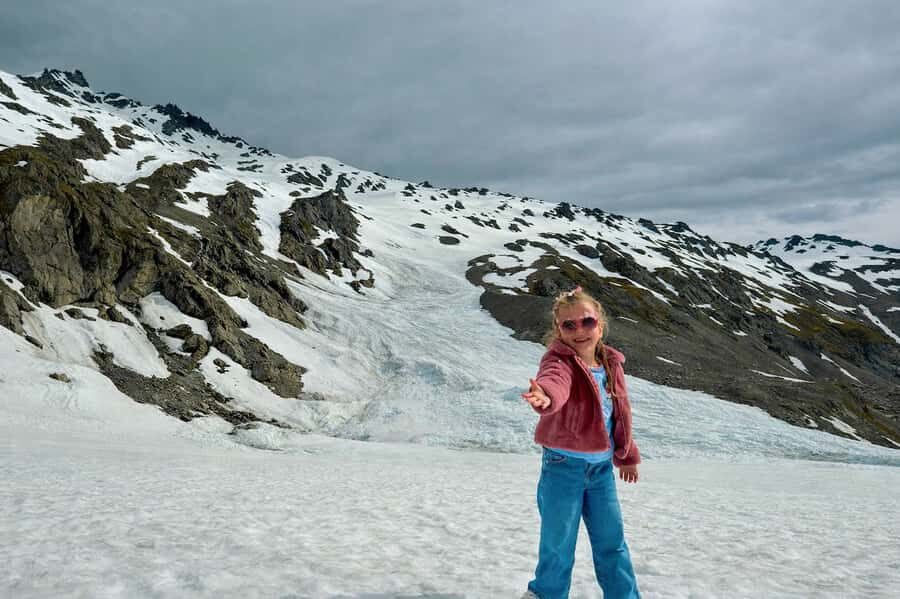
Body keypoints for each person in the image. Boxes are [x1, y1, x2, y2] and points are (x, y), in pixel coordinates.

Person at [520, 286, 641, 599]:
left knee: (612, 543)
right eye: (569, 325)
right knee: (558, 544)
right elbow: (554, 382)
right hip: (563, 468)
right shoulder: (558, 361)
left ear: (600, 324)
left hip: (601, 472)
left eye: (587, 322)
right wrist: (545, 396)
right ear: (558, 329)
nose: (579, 331)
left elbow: (621, 413)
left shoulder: (611, 364)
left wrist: (627, 455)